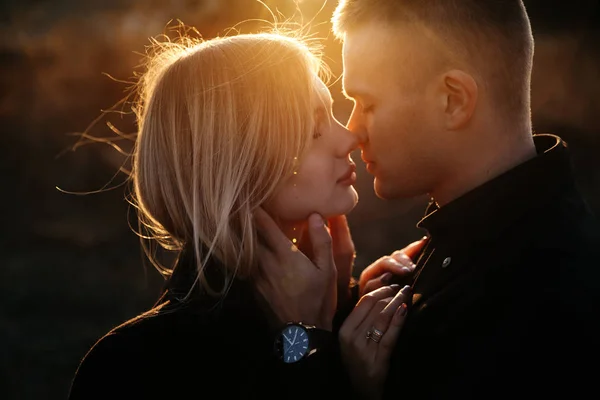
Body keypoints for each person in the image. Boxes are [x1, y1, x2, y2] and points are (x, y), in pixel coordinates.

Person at [259, 1, 600, 399]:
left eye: (368, 104)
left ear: (453, 100)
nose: (353, 132)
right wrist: (343, 305)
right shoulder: (470, 249)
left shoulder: (535, 306)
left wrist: (302, 337)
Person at [67, 30, 419, 400]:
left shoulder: (360, 316)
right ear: (239, 162)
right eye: (314, 129)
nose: (349, 138)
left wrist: (342, 306)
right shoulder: (132, 367)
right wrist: (307, 342)